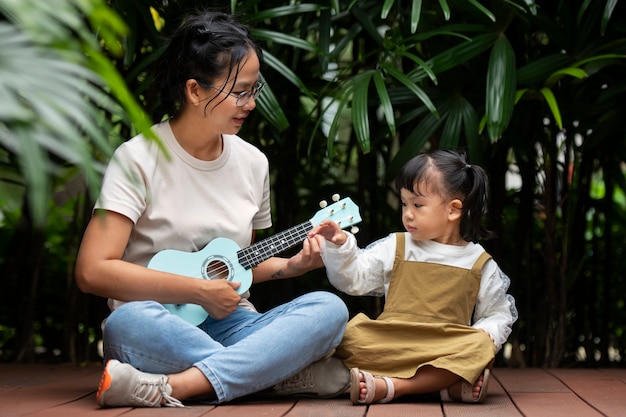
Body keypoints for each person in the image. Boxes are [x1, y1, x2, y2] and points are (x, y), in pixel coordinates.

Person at [75, 10, 349, 408]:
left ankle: (177, 386)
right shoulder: (138, 159)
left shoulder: (254, 163)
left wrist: (292, 267)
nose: (251, 104)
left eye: (255, 90)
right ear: (194, 90)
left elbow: (237, 267)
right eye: (240, 92)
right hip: (158, 326)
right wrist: (198, 291)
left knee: (328, 309)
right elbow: (92, 270)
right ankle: (273, 375)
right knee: (125, 323)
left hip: (234, 323)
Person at [309, 149, 518, 405]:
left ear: (453, 210)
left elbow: (498, 313)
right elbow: (354, 279)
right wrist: (340, 245)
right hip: (393, 342)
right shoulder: (396, 246)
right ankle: (446, 385)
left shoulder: (478, 262)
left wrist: (487, 331)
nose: (408, 213)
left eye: (418, 205)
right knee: (351, 336)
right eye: (404, 203)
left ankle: (393, 386)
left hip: (440, 345)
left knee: (479, 345)